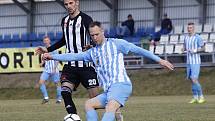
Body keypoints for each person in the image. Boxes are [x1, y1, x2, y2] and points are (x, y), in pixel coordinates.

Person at [42, 21, 174, 121]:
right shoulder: (92, 52)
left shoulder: (116, 44)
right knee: (89, 104)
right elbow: (73, 56)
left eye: (97, 34)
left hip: (121, 85)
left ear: (103, 32)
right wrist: (52, 56)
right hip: (109, 90)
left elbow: (138, 50)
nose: (94, 37)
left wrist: (160, 60)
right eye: (92, 35)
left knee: (110, 107)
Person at [35, 0, 100, 119]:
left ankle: (114, 109)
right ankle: (73, 116)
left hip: (86, 66)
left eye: (71, 3)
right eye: (66, 4)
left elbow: (95, 36)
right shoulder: (64, 21)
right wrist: (48, 49)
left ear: (77, 3)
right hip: (70, 66)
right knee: (65, 91)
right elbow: (64, 40)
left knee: (96, 100)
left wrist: (91, 45)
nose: (69, 6)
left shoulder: (86, 19)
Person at [182, 22, 206, 104]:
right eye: (188, 28)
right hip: (188, 61)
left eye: (191, 28)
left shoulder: (197, 37)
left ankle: (201, 97)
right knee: (191, 80)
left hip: (195, 61)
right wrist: (183, 49)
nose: (189, 29)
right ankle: (195, 97)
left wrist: (195, 50)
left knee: (194, 79)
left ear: (194, 28)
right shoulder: (185, 38)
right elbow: (185, 47)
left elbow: (203, 48)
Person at [38, 36, 62, 104]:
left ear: (49, 41)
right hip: (46, 70)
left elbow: (57, 59)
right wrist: (42, 63)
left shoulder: (54, 49)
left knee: (57, 84)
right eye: (45, 40)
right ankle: (46, 98)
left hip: (54, 70)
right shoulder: (43, 50)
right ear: (43, 42)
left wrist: (54, 68)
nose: (46, 41)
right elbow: (45, 59)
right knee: (41, 82)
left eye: (47, 40)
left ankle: (59, 99)